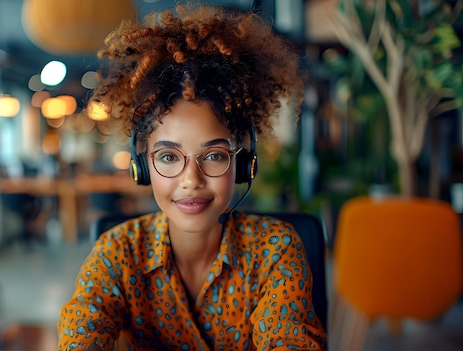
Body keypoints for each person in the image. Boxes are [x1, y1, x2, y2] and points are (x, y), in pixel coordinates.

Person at [57, 5, 327, 350]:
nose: (191, 179)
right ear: (142, 167)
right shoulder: (118, 251)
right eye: (168, 157)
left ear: (243, 164)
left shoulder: (275, 250)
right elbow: (82, 330)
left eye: (213, 156)